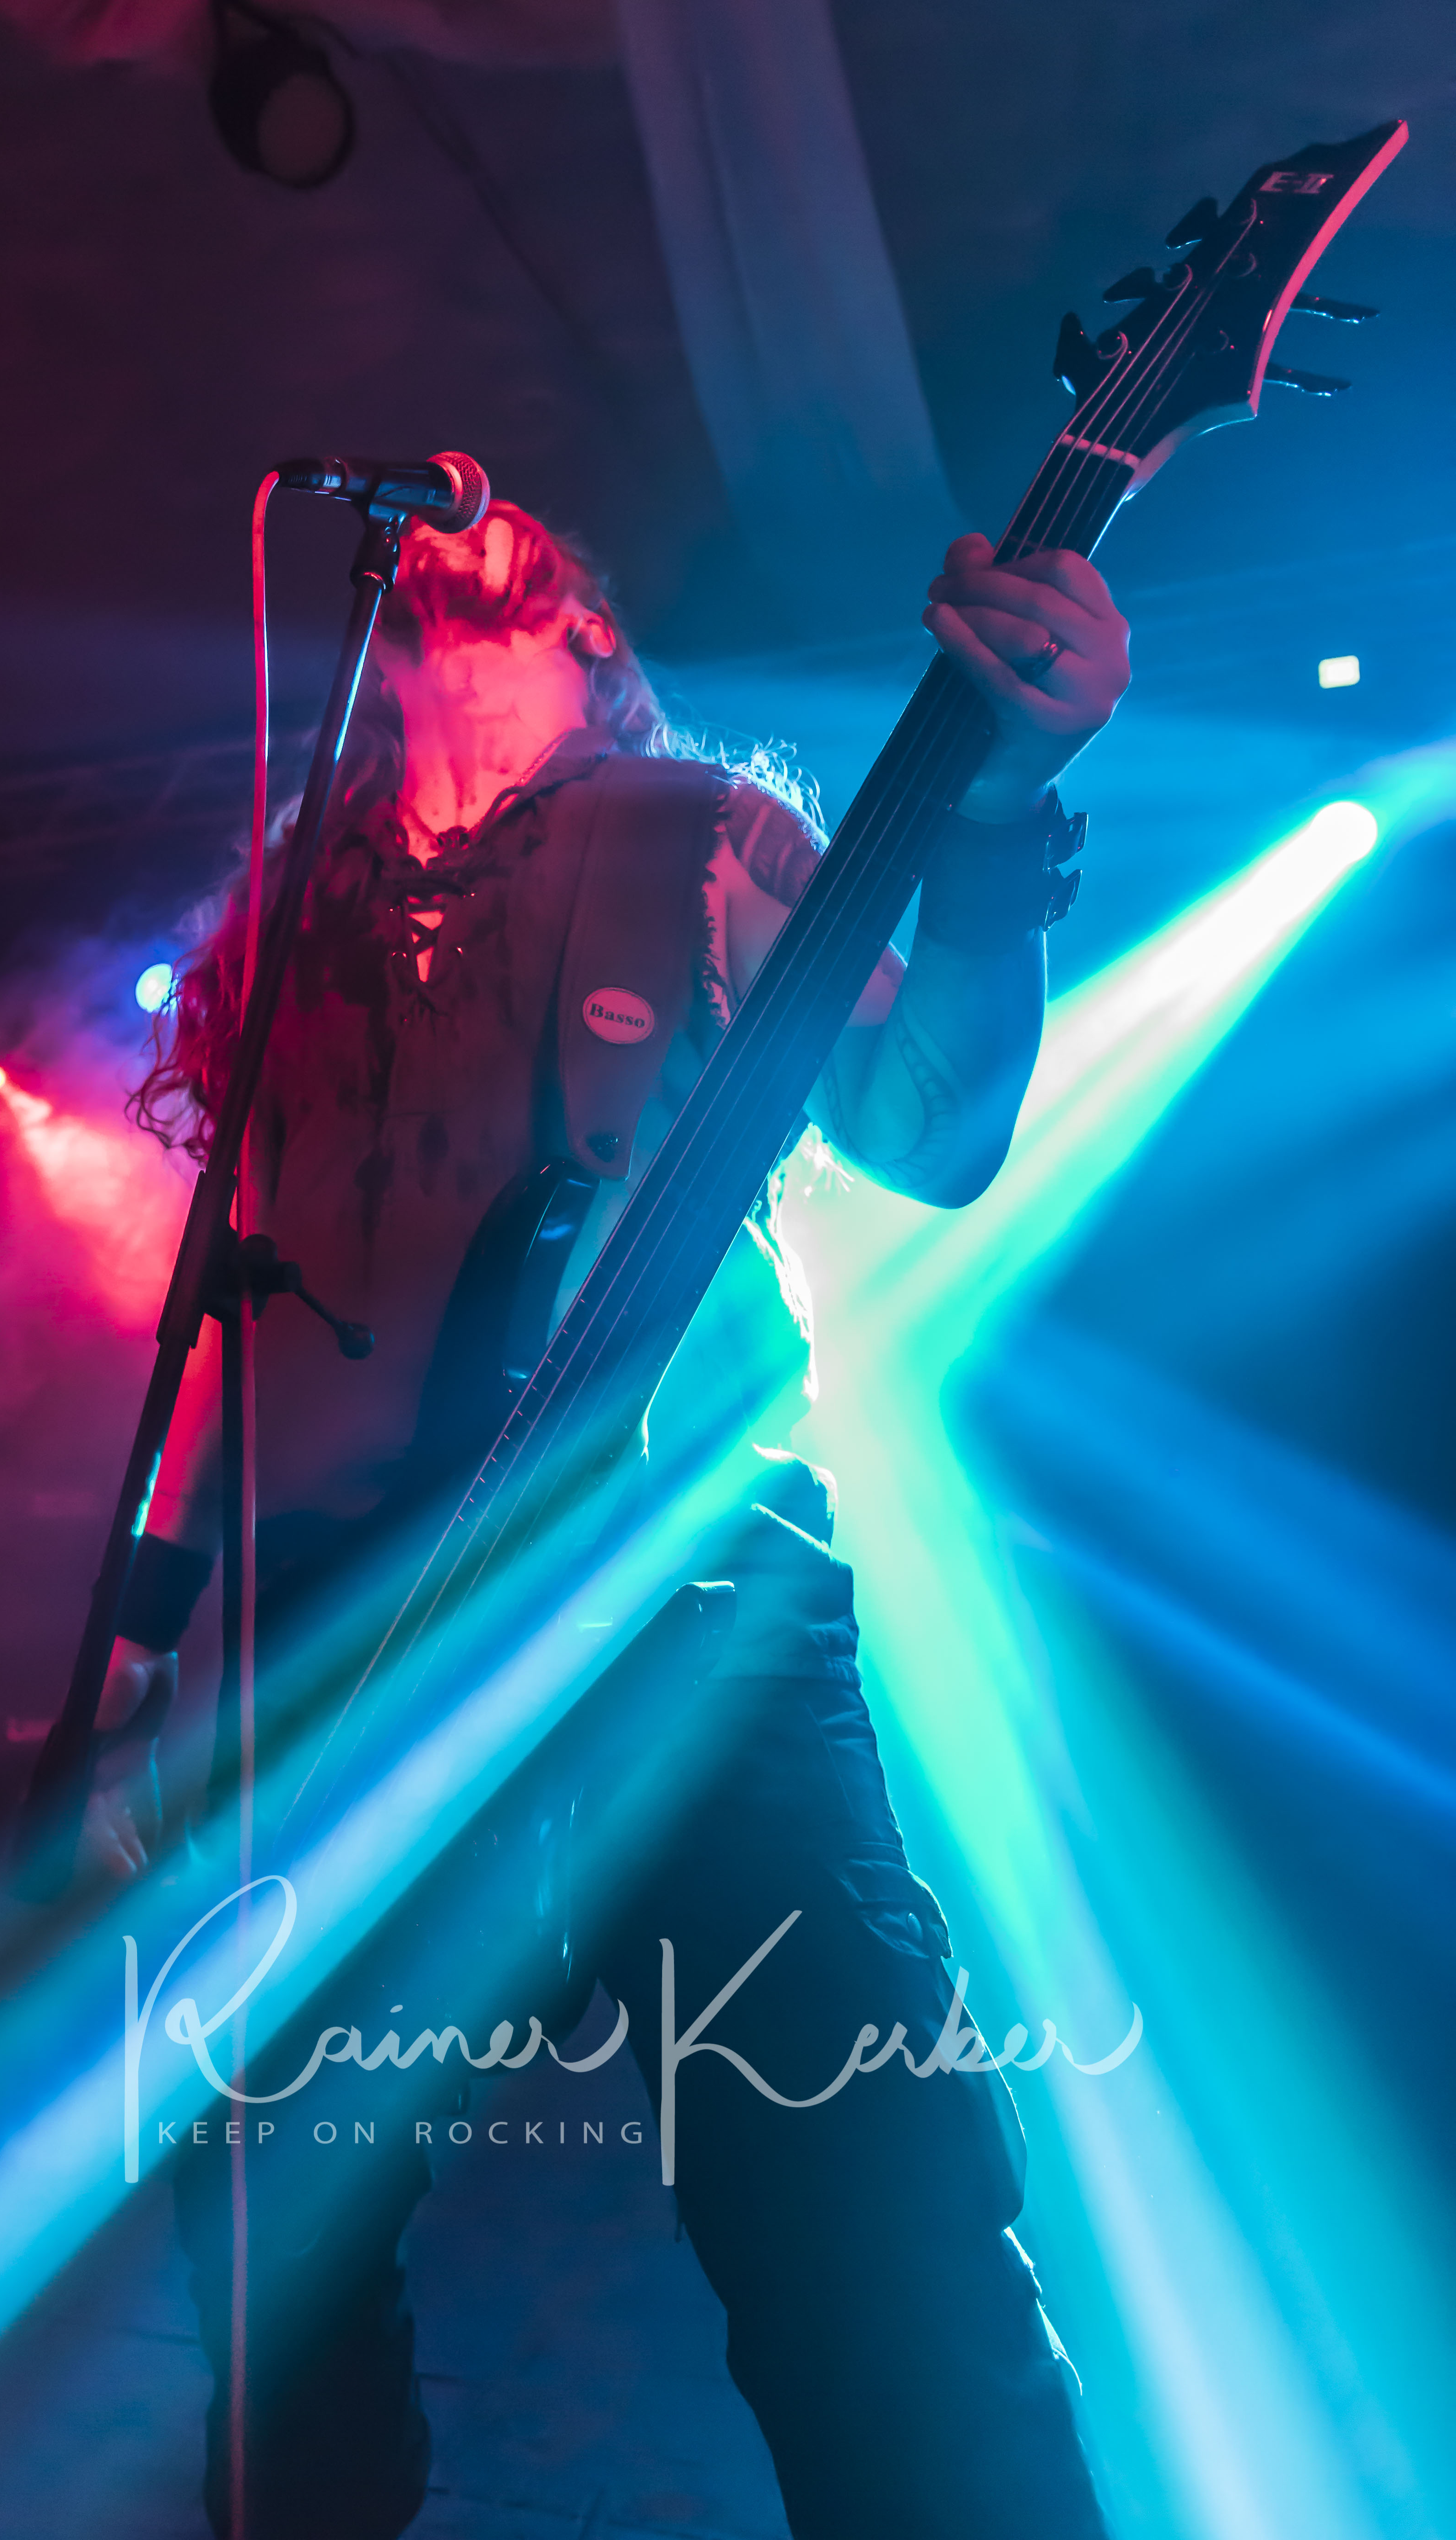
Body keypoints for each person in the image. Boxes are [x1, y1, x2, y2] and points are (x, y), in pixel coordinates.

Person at [86, 502, 1131, 2539]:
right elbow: (237, 1315)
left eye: (521, 533)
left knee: (872, 2235)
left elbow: (934, 1134)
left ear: (585, 635)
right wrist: (152, 1640)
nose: (463, 513)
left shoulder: (705, 840)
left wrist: (1002, 828)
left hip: (685, 1604)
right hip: (335, 1642)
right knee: (272, 2256)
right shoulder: (294, 904)